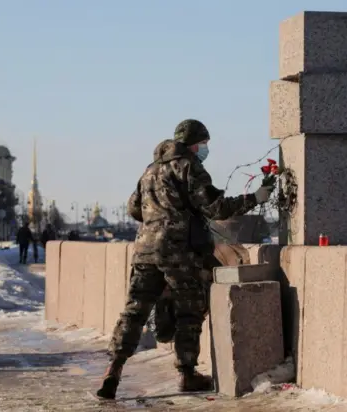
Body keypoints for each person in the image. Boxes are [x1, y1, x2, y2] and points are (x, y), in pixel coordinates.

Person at [96, 119, 275, 399]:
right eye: (204, 144)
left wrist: (158, 215)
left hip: (144, 250)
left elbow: (133, 208)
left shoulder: (150, 170)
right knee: (189, 310)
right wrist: (256, 197)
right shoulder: (189, 165)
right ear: (194, 143)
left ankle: (113, 370)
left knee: (134, 310)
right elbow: (215, 207)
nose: (205, 149)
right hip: (178, 251)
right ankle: (187, 373)